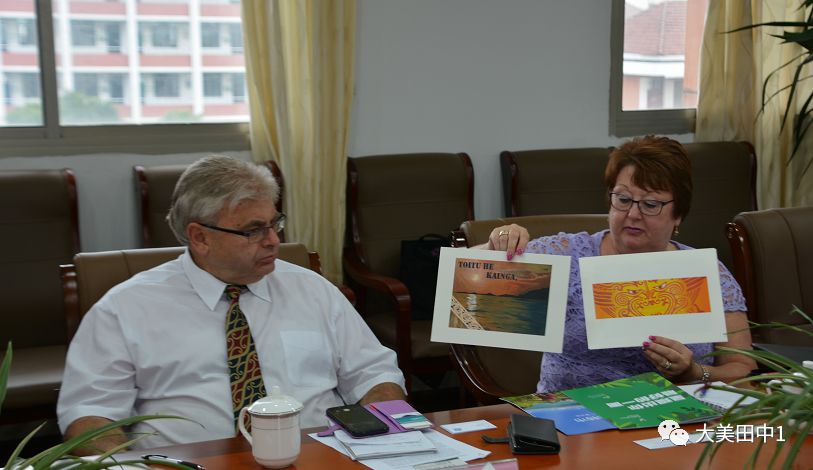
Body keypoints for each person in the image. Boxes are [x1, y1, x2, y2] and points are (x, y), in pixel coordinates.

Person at [57, 155, 405, 453]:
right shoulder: (125, 308)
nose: (274, 241)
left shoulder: (312, 290)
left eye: (274, 223)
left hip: (318, 457)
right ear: (200, 237)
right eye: (253, 230)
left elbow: (375, 375)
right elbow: (89, 416)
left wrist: (379, 447)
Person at [482, 136, 755, 392]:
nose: (633, 214)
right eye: (623, 199)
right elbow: (467, 288)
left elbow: (743, 371)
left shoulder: (706, 273)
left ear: (678, 214)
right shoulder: (566, 255)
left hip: (673, 416)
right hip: (571, 414)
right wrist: (498, 243)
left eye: (650, 204)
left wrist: (694, 373)